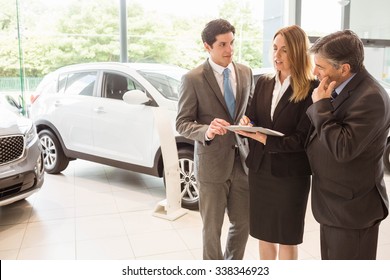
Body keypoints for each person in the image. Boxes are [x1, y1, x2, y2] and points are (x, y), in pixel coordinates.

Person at [306, 30, 390, 260]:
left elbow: (343, 148)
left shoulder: (371, 97)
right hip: (335, 205)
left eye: (320, 67)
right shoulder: (341, 87)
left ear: (344, 68)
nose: (315, 72)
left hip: (353, 211)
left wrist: (321, 105)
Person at [176, 18, 254, 260]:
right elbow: (181, 123)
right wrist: (206, 131)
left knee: (243, 225)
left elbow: (248, 109)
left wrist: (248, 121)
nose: (229, 50)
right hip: (211, 165)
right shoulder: (193, 79)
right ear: (207, 46)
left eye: (231, 43)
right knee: (212, 230)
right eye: (222, 44)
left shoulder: (245, 72)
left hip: (242, 162)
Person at [236, 25, 317, 260]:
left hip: (290, 176)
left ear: (298, 53)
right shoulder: (263, 82)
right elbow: (253, 116)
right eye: (274, 49)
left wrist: (263, 139)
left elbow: (303, 139)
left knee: (287, 237)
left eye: (284, 50)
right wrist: (247, 123)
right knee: (264, 234)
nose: (276, 56)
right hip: (261, 171)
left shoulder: (311, 89)